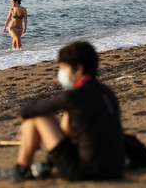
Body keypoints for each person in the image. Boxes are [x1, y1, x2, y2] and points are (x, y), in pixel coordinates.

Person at [12, 41, 125, 181]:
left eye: (63, 68)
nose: (61, 73)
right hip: (115, 168)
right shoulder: (106, 92)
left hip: (87, 171)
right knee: (68, 115)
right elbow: (70, 131)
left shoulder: (74, 96)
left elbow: (28, 110)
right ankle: (48, 163)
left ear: (78, 69)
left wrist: (25, 123)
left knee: (38, 118)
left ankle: (21, 169)